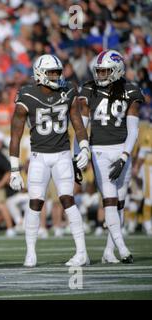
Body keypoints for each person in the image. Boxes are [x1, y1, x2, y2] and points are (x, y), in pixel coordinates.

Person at [9, 54, 91, 267]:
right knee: (35, 203)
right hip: (38, 157)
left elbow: (78, 123)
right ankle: (30, 253)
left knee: (67, 200)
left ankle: (82, 252)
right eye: (51, 73)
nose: (55, 76)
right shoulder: (26, 95)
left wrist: (84, 148)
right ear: (39, 74)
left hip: (63, 155)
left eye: (57, 72)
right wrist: (14, 169)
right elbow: (15, 135)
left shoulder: (68, 90)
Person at [78, 50, 143, 263]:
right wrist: (78, 152)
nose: (100, 75)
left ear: (117, 70)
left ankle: (109, 251)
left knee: (120, 202)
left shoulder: (131, 90)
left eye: (105, 71)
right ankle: (123, 248)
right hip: (99, 151)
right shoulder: (89, 88)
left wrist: (125, 155)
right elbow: (83, 124)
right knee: (110, 200)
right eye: (99, 71)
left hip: (122, 148)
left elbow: (133, 129)